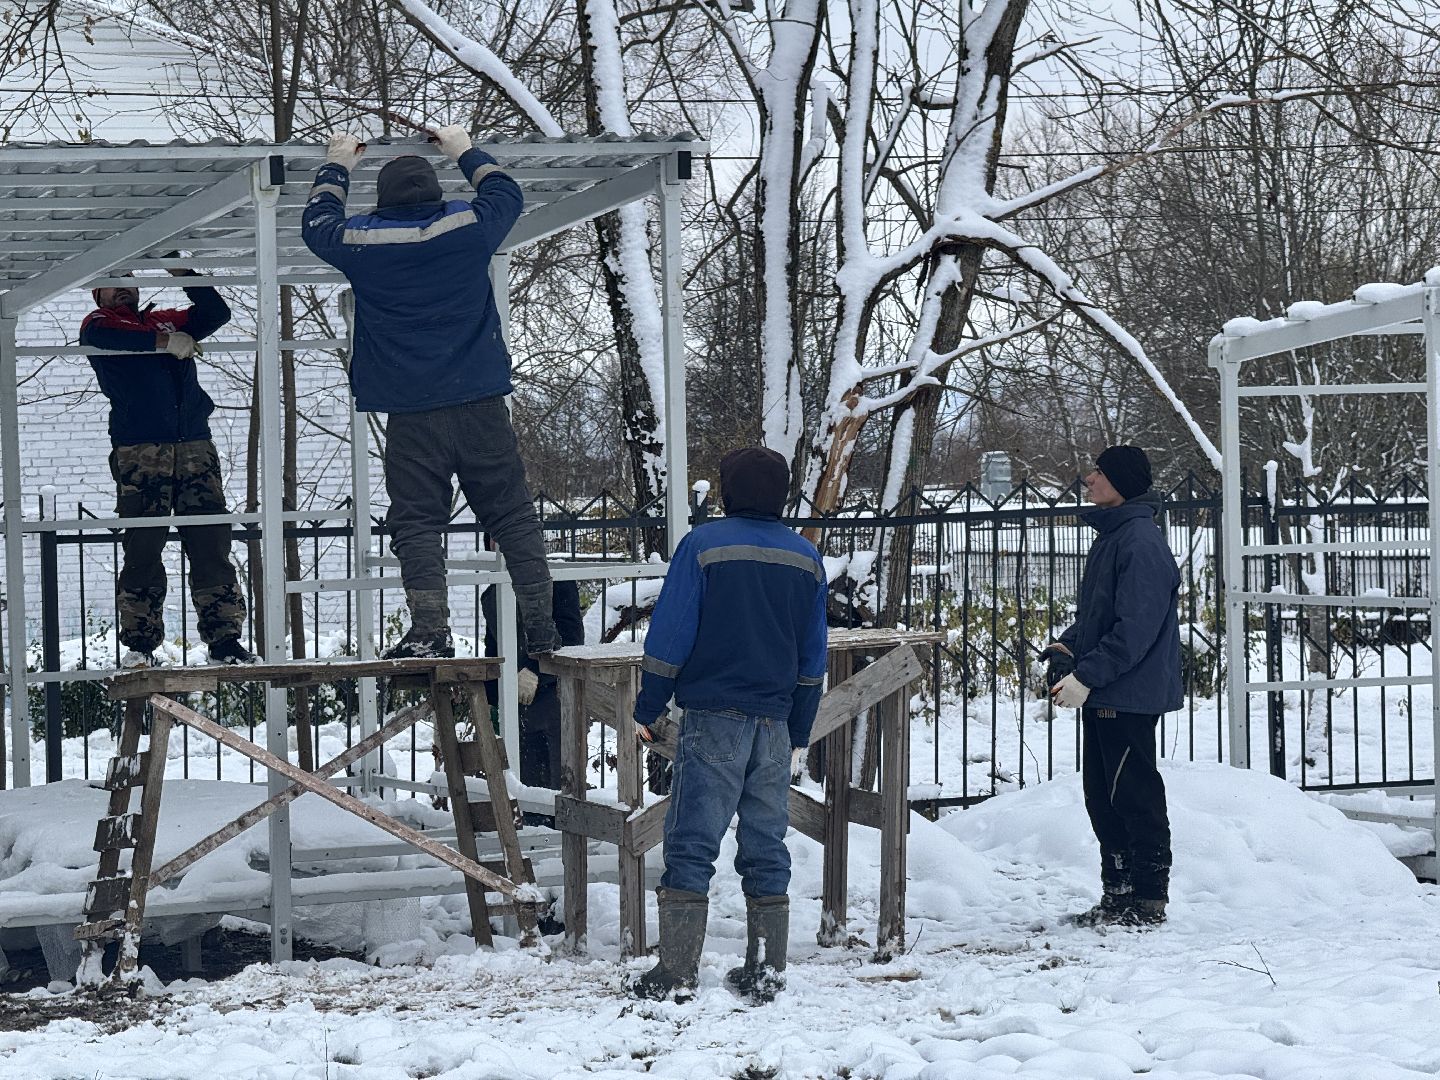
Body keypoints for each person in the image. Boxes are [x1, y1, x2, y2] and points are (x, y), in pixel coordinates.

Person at [301, 127, 561, 660]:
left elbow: (317, 225)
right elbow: (506, 194)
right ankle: (541, 628)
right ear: (434, 193)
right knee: (512, 516)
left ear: (384, 199)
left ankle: (429, 629)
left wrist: (338, 165)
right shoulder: (466, 227)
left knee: (416, 521)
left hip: (410, 412)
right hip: (480, 403)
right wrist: (462, 148)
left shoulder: (363, 242)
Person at [630, 447, 828, 1004]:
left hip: (714, 716)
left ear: (728, 489)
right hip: (775, 722)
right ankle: (765, 970)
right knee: (766, 843)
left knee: (692, 839)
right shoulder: (806, 558)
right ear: (783, 493)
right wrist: (800, 728)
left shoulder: (704, 545)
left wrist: (650, 706)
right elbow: (814, 658)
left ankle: (676, 971)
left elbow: (671, 636)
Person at [79, 264, 255, 667]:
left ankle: (225, 641)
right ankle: (140, 646)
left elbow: (215, 312)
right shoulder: (101, 324)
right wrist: (163, 342)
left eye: (129, 282)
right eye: (113, 284)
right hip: (141, 451)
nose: (124, 289)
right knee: (143, 545)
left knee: (211, 543)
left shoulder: (162, 319)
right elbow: (103, 336)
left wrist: (177, 265)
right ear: (98, 294)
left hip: (194, 444)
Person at [1043, 445, 1181, 928]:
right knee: (1103, 797)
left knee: (1134, 794)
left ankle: (1147, 899)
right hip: (1109, 689)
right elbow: (1100, 619)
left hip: (1128, 691)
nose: (1088, 479)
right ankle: (1117, 895)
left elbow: (1135, 630)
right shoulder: (1115, 536)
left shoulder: (1140, 543)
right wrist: (1068, 647)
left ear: (1120, 482)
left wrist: (1087, 675)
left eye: (1098, 473)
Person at [481, 537, 585, 791]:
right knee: (526, 784)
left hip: (556, 695)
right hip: (515, 703)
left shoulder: (556, 581)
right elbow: (492, 647)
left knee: (562, 782)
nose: (504, 544)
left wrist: (537, 670)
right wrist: (489, 699)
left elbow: (572, 637)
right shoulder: (492, 595)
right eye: (495, 539)